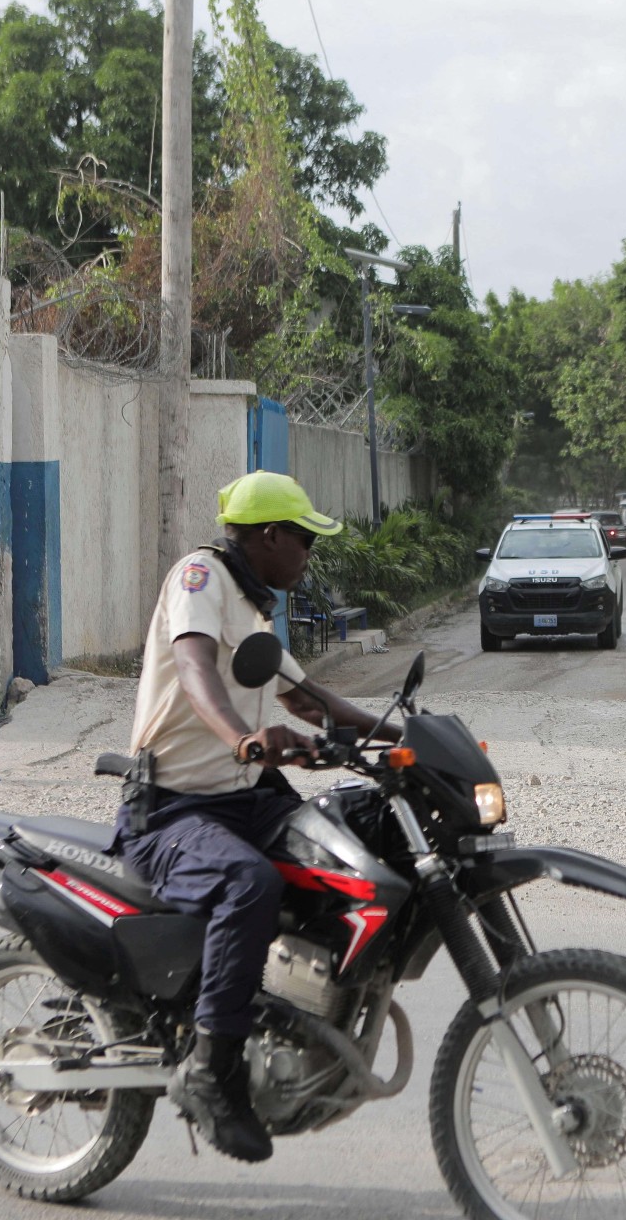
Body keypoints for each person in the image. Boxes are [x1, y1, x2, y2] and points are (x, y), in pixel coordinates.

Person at [116, 470, 396, 1163]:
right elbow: (195, 672)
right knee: (250, 884)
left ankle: (300, 1014)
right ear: (269, 536)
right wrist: (240, 737)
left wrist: (403, 734)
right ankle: (212, 1067)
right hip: (172, 811)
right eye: (303, 540)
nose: (309, 554)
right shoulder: (200, 579)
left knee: (348, 845)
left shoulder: (255, 606)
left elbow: (305, 700)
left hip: (244, 802)